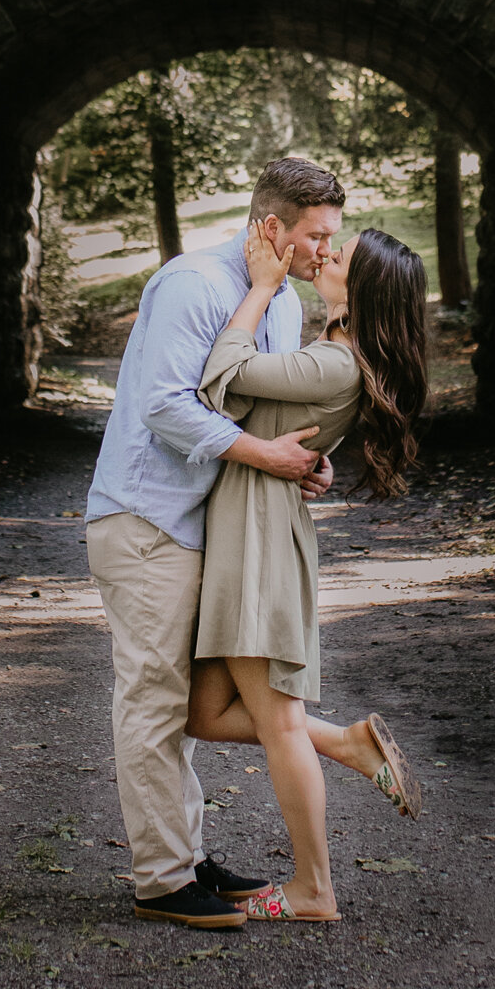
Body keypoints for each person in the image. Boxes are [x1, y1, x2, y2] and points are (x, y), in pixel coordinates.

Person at [85, 155, 346, 931]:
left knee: (183, 704)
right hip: (146, 517)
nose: (325, 252)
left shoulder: (278, 303)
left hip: (206, 528)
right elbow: (167, 404)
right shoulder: (191, 284)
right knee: (152, 698)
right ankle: (160, 878)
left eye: (331, 237)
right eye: (315, 236)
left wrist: (306, 463)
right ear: (272, 227)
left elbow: (256, 404)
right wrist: (262, 455)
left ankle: (184, 856)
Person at [186, 222, 430, 923]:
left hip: (257, 543)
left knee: (281, 725)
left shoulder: (333, 362)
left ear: (362, 289)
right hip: (248, 526)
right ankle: (351, 743)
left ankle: (313, 890)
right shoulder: (331, 355)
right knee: (203, 712)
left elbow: (220, 376)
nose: (323, 252)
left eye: (339, 254)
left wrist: (262, 286)